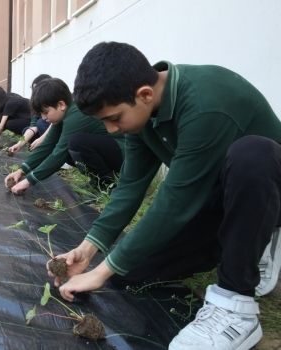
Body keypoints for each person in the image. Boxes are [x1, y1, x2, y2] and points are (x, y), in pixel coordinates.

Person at [49, 41, 281, 350]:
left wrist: (101, 271)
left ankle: (235, 304)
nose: (112, 130)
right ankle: (241, 244)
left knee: (251, 154)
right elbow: (130, 186)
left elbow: (175, 202)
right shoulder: (142, 117)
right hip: (214, 200)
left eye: (115, 118)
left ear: (144, 94)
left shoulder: (206, 101)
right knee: (128, 272)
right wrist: (88, 251)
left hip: (265, 193)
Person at [5, 78, 124, 194]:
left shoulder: (76, 115)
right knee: (69, 147)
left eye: (46, 112)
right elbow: (48, 146)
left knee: (76, 143)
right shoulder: (64, 114)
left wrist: (29, 181)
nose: (44, 118)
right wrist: (22, 170)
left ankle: (108, 182)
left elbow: (58, 154)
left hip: (124, 154)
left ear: (61, 104)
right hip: (108, 150)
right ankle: (97, 180)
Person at [7, 74, 53, 155]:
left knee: (41, 123)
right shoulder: (36, 103)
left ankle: (50, 149)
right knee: (28, 129)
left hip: (57, 130)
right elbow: (33, 126)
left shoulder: (54, 101)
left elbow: (55, 124)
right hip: (47, 130)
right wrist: (20, 144)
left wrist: (41, 139)